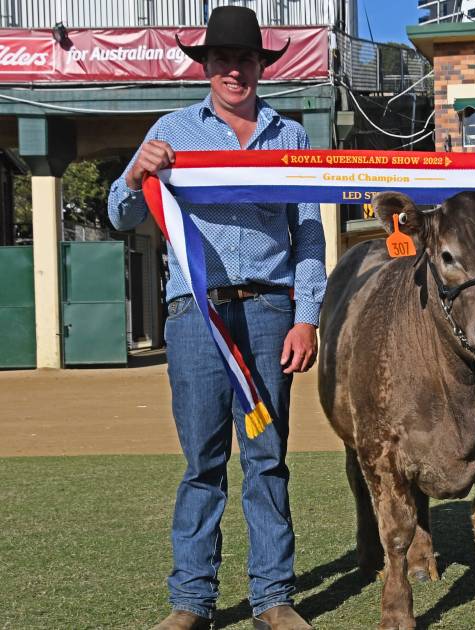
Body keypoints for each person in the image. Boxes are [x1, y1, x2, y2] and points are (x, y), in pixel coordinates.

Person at [107, 7, 325, 630]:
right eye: (223, 59)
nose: (235, 69)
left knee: (267, 456)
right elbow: (123, 218)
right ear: (205, 66)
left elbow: (308, 236)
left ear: (262, 66)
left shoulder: (292, 139)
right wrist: (134, 173)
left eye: (246, 59)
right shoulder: (172, 130)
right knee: (202, 462)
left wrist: (306, 317)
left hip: (267, 313)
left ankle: (273, 599)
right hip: (196, 317)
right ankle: (191, 603)